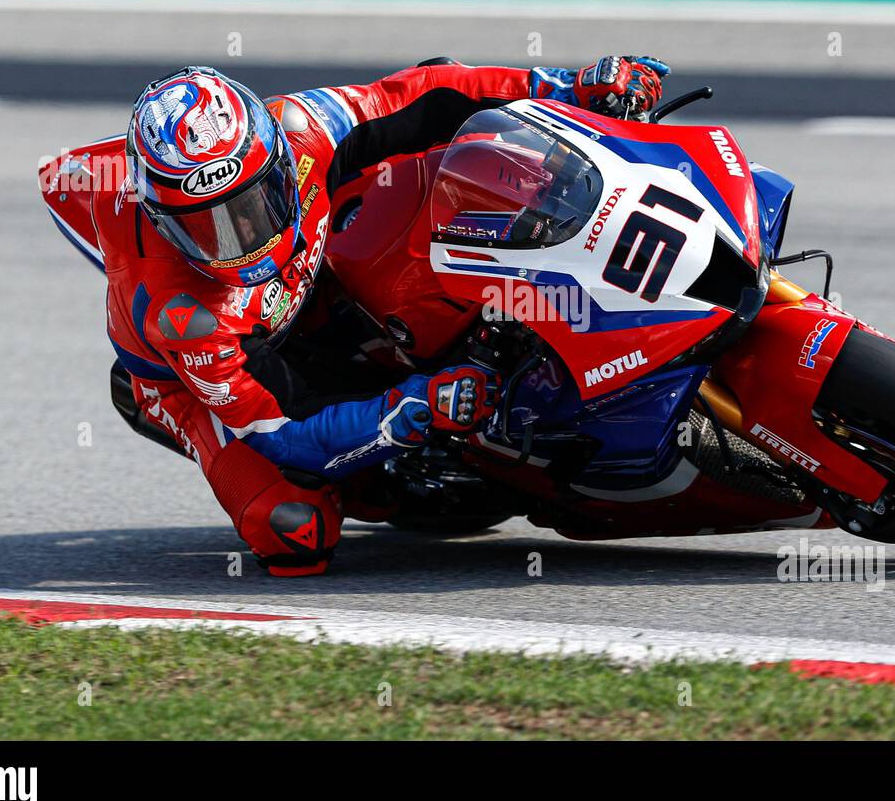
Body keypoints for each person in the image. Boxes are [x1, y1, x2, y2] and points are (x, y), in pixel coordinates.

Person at [97, 56, 669, 575]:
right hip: (211, 384)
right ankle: (385, 481)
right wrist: (416, 406)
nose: (243, 237)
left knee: (455, 164)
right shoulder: (184, 315)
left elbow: (424, 92)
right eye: (206, 225)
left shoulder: (301, 129)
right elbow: (285, 433)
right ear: (162, 219)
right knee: (295, 531)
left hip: (315, 286)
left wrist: (564, 87)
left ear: (275, 160)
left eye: (254, 203)